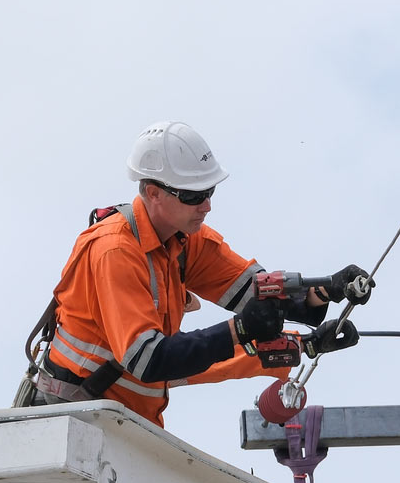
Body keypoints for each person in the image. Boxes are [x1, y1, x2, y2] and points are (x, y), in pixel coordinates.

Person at [20, 121, 370, 424]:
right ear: (153, 192)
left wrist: (324, 292)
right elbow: (149, 359)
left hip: (124, 421)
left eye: (210, 191)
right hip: (67, 417)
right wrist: (241, 328)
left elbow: (258, 296)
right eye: (193, 195)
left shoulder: (185, 241)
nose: (207, 205)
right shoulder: (115, 251)